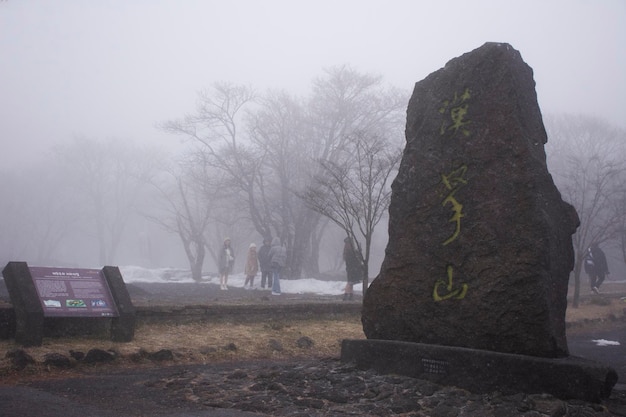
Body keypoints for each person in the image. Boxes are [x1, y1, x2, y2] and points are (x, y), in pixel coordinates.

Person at [342, 237, 362, 301]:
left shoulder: (348, 251)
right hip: (352, 269)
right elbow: (355, 258)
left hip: (351, 269)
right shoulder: (349, 252)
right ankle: (346, 295)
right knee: (350, 282)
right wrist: (358, 251)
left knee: (351, 282)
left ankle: (350, 295)